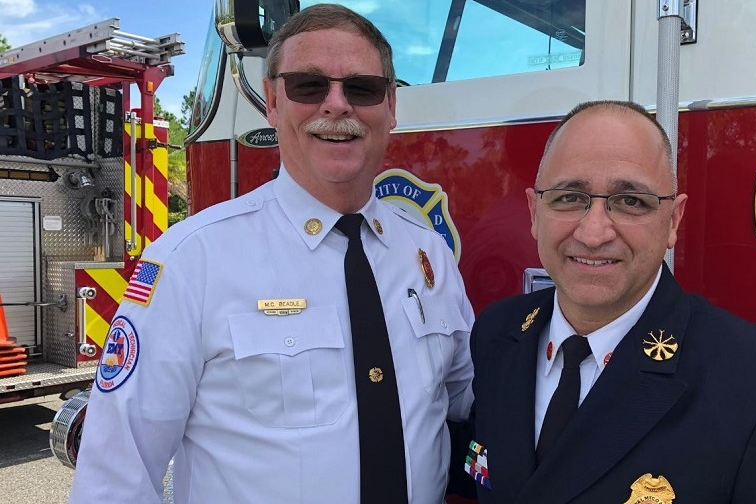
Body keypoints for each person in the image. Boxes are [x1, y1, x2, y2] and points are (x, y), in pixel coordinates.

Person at [68, 4, 474, 503]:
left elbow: (465, 400)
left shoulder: (428, 255)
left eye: (362, 88)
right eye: (309, 86)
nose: (336, 105)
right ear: (273, 103)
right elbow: (116, 474)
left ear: (391, 106)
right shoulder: (192, 260)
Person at [464, 101, 756, 503]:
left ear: (673, 221)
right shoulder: (498, 335)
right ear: (535, 212)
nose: (593, 233)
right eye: (569, 197)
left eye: (630, 201)